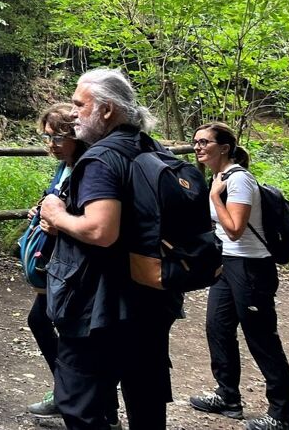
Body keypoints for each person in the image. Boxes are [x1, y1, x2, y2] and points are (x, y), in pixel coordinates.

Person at [41, 68, 183, 430]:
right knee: (145, 398)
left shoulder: (102, 158)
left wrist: (58, 215)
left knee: (80, 404)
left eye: (78, 104)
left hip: (100, 304)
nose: (73, 113)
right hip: (152, 297)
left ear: (106, 110)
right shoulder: (152, 147)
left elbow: (101, 230)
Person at [188, 122, 289, 430]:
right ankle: (228, 397)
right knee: (217, 328)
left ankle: (283, 414)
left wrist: (214, 198)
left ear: (224, 147)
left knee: (262, 338)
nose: (197, 147)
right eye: (195, 142)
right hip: (228, 265)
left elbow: (235, 230)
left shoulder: (238, 181)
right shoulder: (219, 178)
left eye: (204, 142)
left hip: (251, 268)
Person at [24, 103, 88, 419]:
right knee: (41, 320)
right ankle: (66, 392)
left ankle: (87, 402)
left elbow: (90, 219)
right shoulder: (63, 166)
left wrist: (58, 220)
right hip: (56, 260)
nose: (52, 145)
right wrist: (41, 212)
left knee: (67, 330)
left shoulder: (88, 167)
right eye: (48, 137)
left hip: (77, 264)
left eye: (59, 137)